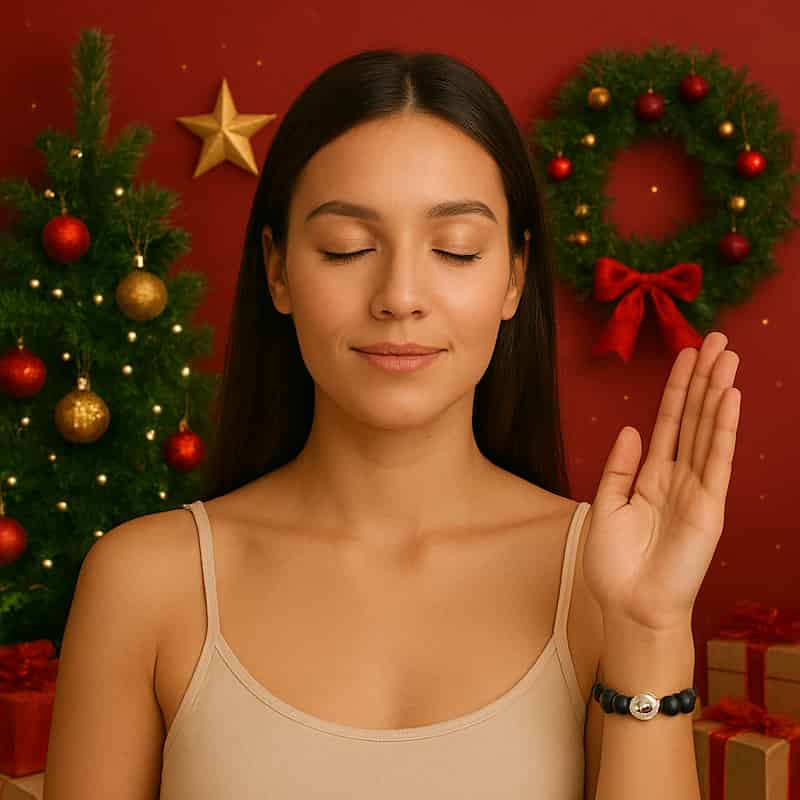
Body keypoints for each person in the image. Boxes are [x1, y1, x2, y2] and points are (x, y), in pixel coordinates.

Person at [44, 49, 741, 800]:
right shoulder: (145, 583)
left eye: (455, 249)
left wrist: (650, 634)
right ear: (277, 270)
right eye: (348, 248)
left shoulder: (604, 583)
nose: (400, 296)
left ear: (512, 275)